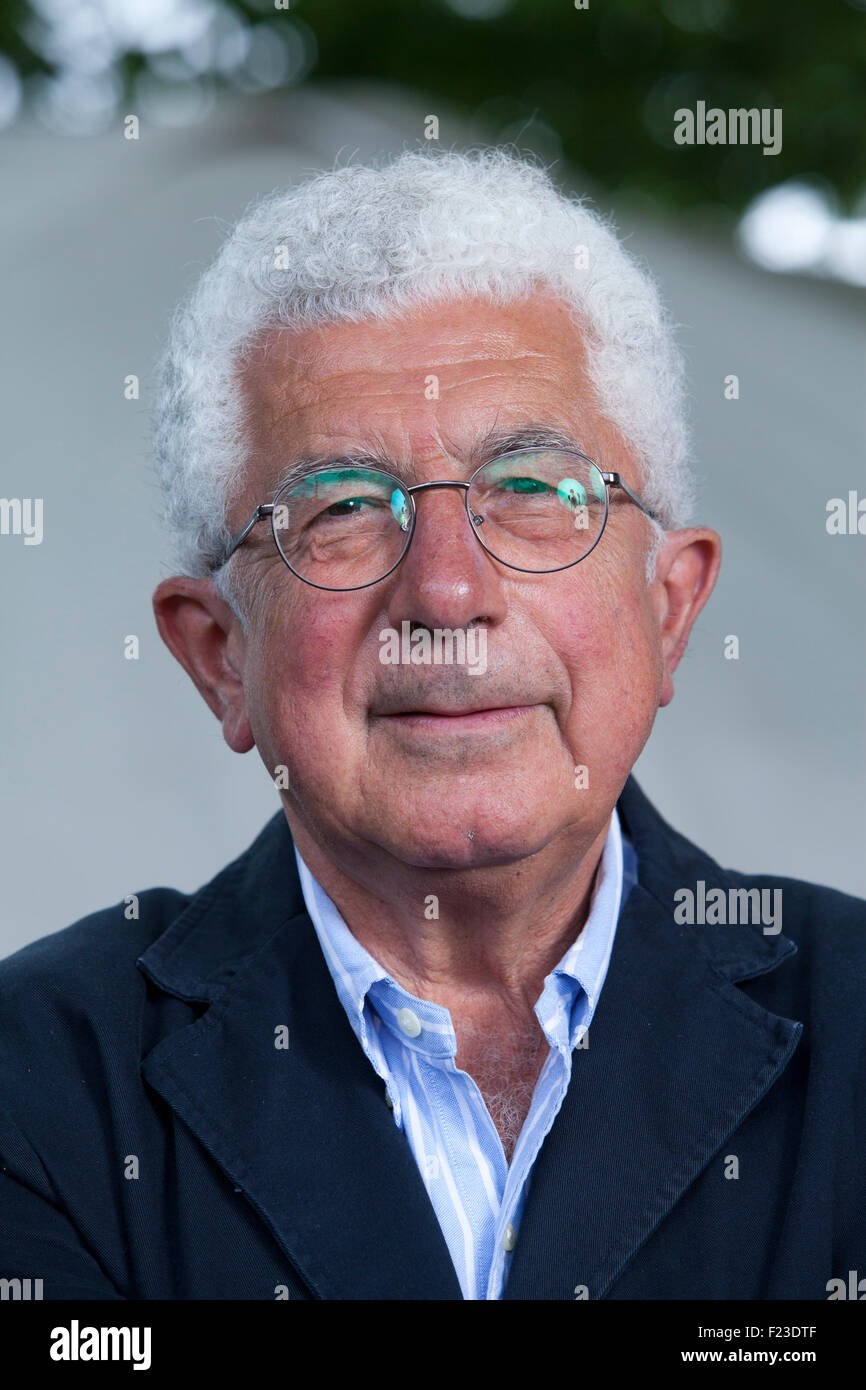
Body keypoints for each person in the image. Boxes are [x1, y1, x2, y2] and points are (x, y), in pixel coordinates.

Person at [1, 149, 863, 1301]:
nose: (447, 594)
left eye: (533, 487)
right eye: (344, 508)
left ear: (669, 608)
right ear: (219, 659)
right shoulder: (39, 1082)